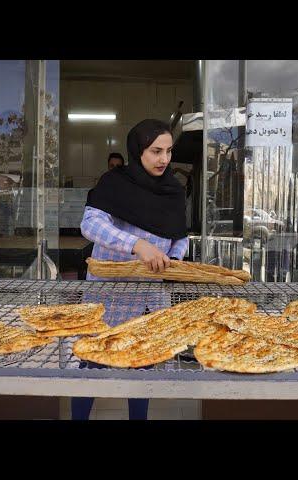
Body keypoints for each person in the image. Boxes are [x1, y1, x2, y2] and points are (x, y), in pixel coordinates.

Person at [72, 119, 189, 420]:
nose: (164, 159)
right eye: (155, 151)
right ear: (138, 151)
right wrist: (136, 244)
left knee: (142, 365)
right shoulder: (115, 183)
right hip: (108, 295)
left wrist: (173, 258)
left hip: (149, 296)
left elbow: (179, 234)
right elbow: (91, 224)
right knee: (92, 362)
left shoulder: (173, 190)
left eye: (168, 151)